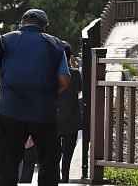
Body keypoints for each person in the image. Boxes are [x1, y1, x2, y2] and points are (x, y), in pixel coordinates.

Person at [0, 9, 70, 186]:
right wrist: (47, 93)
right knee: (48, 163)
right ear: (44, 26)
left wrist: (12, 87)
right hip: (43, 111)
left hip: (10, 110)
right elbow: (64, 81)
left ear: (22, 23)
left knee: (7, 164)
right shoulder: (55, 44)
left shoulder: (5, 41)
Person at [56, 42, 82, 183]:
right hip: (71, 117)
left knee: (54, 152)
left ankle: (55, 176)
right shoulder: (75, 74)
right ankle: (65, 175)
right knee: (68, 152)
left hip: (52, 118)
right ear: (69, 56)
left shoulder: (49, 73)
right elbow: (78, 92)